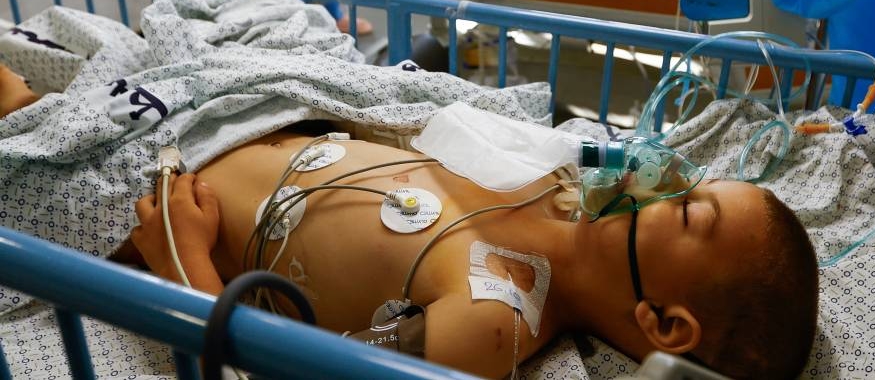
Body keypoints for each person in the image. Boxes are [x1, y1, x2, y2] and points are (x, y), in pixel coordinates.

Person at [127, 126, 820, 380]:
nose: (666, 173)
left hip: (151, 211)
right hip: (219, 125)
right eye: (693, 176)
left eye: (690, 208)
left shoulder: (493, 320)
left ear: (665, 324)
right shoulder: (555, 180)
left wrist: (183, 261)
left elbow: (269, 364)